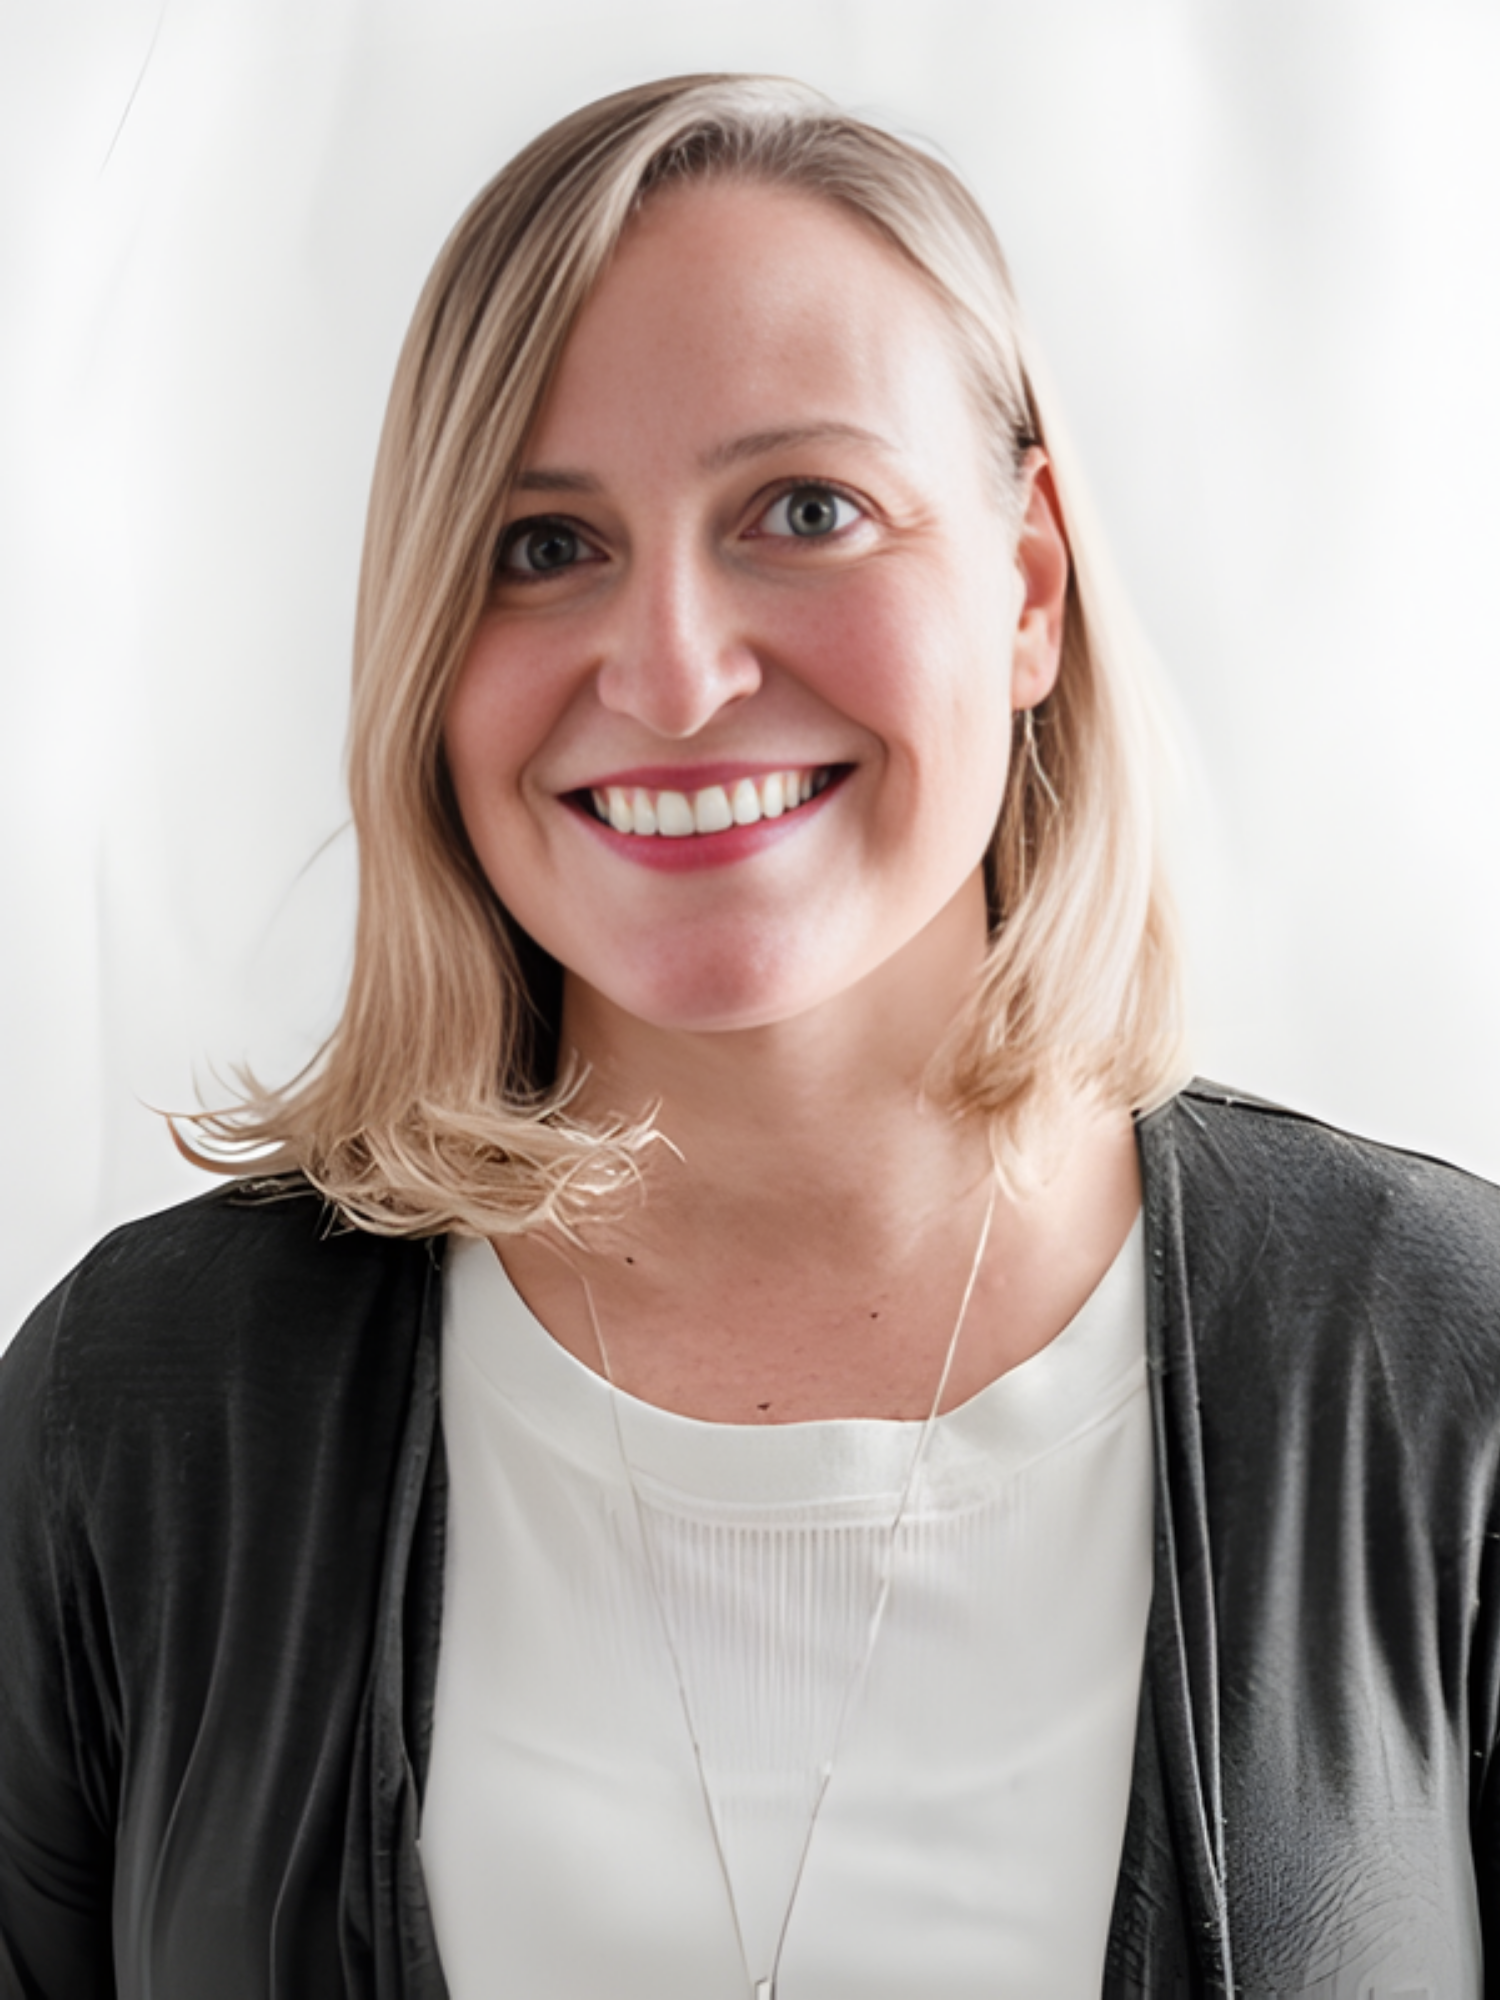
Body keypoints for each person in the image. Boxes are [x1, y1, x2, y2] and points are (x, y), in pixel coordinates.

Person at [2, 70, 1498, 2000]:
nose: (676, 674)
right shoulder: (138, 1410)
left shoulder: (1437, 1363)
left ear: (1027, 585)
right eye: (543, 545)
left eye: (806, 511)